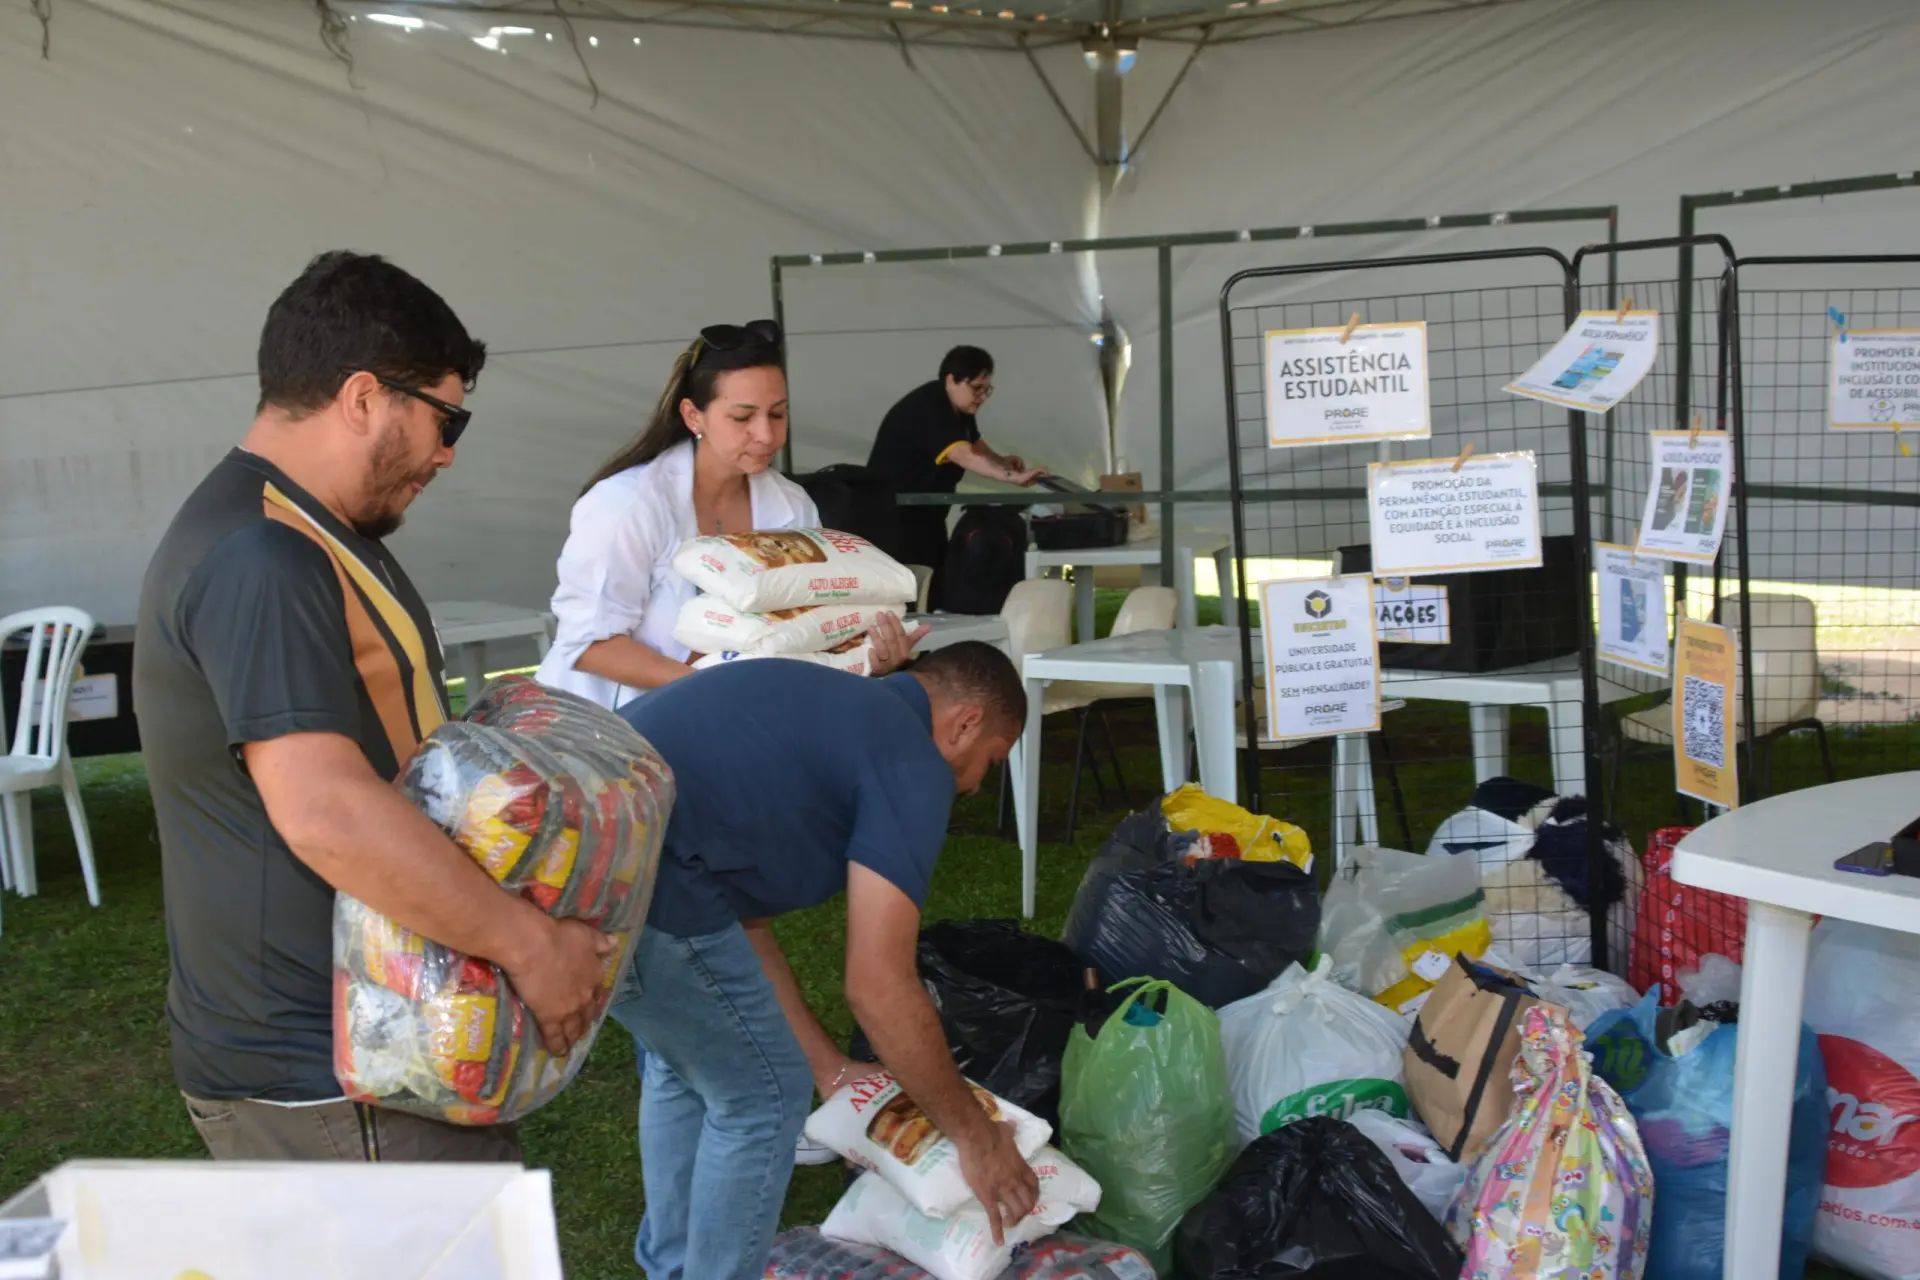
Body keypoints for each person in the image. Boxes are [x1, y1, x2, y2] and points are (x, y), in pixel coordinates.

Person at [133, 251, 613, 1163]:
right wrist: (529, 945)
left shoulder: (312, 530)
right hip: (327, 1070)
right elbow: (324, 810)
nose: (449, 449)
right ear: (363, 397)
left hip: (371, 1040)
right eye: (445, 415)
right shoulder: (261, 555)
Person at [611, 642, 1040, 1280]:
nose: (976, 785)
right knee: (762, 1096)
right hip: (635, 873)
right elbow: (877, 985)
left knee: (692, 1064)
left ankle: (673, 1268)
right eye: (991, 761)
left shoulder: (841, 710)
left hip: (582, 851)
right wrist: (976, 1139)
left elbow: (738, 931)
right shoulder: (910, 762)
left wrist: (832, 1067)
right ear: (966, 723)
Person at [536, 319, 925, 711]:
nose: (766, 435)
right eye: (743, 417)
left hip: (728, 716)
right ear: (693, 416)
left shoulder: (791, 505)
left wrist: (864, 658)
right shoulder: (626, 504)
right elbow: (590, 645)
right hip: (604, 730)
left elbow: (806, 627)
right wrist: (713, 689)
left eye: (778, 414)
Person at [866, 345, 1046, 571]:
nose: (982, 397)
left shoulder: (959, 409)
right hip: (893, 518)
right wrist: (1011, 477)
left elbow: (973, 443)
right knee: (910, 582)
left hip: (926, 514)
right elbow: (962, 454)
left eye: (987, 390)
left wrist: (1002, 461)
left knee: (933, 575)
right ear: (951, 380)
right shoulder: (929, 406)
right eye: (977, 388)